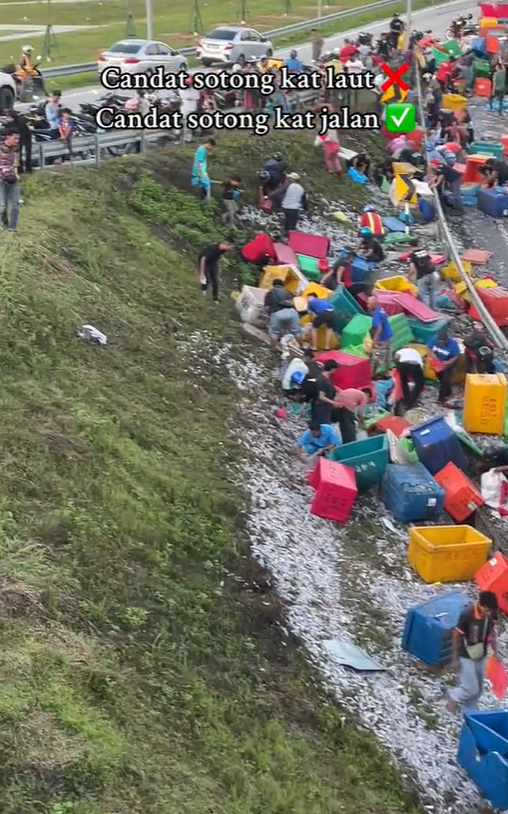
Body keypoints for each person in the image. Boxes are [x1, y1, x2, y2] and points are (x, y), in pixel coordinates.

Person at [447, 591, 499, 713]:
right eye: (487, 610)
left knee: (479, 689)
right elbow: (456, 635)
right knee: (470, 688)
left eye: (490, 611)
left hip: (481, 653)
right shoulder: (467, 615)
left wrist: (496, 651)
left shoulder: (490, 615)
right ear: (481, 605)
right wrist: (454, 658)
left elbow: (491, 634)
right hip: (466, 655)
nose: (489, 613)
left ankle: (470, 711)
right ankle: (452, 696)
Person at [427, 326, 460, 404]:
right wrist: (432, 354)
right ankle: (448, 391)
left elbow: (456, 356)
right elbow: (428, 347)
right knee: (440, 377)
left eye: (442, 342)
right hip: (438, 362)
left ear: (446, 340)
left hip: (449, 364)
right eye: (439, 341)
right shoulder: (434, 339)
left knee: (444, 381)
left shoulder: (453, 344)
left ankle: (441, 399)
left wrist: (448, 363)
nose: (440, 343)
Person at [264, 279, 301, 345]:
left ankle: (274, 350)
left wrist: (270, 315)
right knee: (297, 332)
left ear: (273, 285)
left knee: (274, 333)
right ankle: (302, 349)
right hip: (292, 312)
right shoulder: (288, 291)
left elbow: (267, 307)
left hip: (278, 313)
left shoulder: (270, 293)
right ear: (282, 285)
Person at [197, 237, 234, 302]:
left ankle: (215, 298)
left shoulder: (223, 250)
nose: (231, 248)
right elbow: (203, 259)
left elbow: (217, 256)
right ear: (226, 244)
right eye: (230, 246)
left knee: (215, 281)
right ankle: (203, 291)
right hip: (205, 262)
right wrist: (201, 273)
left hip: (212, 263)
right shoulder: (213, 248)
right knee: (206, 278)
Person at [0, 125, 21, 233]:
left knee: (15, 205)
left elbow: (16, 164)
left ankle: (12, 228)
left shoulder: (16, 148)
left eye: (18, 139)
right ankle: (4, 224)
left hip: (12, 179)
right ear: (8, 137)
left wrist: (16, 174)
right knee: (2, 206)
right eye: (15, 138)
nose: (17, 141)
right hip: (1, 179)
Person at [393, 346, 425, 413]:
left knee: (404, 382)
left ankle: (406, 400)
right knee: (419, 384)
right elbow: (421, 365)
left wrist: (398, 366)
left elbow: (396, 357)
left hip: (403, 364)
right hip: (415, 365)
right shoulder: (415, 351)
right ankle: (410, 403)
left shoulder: (401, 351)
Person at [368, 296, 393, 377]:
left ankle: (372, 374)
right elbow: (387, 317)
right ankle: (387, 373)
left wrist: (375, 339)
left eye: (368, 304)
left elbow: (379, 327)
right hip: (389, 336)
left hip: (382, 339)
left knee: (376, 357)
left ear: (372, 305)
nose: (367, 306)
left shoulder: (376, 314)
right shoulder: (381, 310)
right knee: (387, 356)